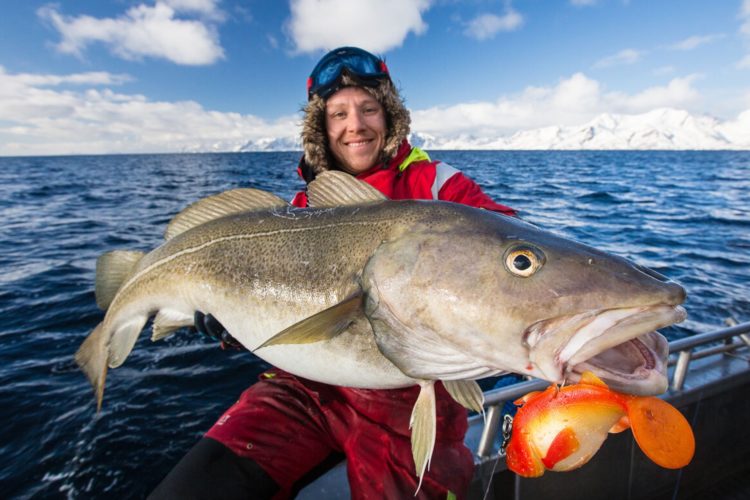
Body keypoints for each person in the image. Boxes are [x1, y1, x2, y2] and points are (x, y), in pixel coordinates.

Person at [150, 47, 516, 500]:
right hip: (306, 386)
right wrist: (229, 321)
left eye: (368, 108)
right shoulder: (303, 209)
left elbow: (509, 246)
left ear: (390, 116)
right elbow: (273, 302)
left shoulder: (439, 186)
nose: (355, 125)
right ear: (322, 128)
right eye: (338, 113)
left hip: (413, 401)